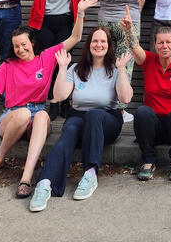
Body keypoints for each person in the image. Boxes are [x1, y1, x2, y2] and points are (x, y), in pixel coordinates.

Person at [0, 0, 95, 198]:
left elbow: (75, 38)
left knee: (42, 115)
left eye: (24, 44)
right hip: (12, 117)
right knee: (24, 113)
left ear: (32, 43)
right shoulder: (8, 65)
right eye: (16, 46)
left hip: (37, 119)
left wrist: (80, 12)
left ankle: (26, 177)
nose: (20, 49)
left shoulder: (46, 57)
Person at [28, 27, 134, 211]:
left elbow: (126, 98)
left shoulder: (115, 69)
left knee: (94, 114)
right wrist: (62, 68)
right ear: (89, 45)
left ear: (109, 46)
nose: (99, 44)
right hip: (79, 116)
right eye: (95, 41)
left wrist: (122, 69)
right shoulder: (76, 69)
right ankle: (44, 183)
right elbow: (59, 96)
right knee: (69, 131)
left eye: (103, 41)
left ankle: (90, 174)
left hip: (107, 120)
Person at [121, 6, 171, 181]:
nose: (165, 46)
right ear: (155, 45)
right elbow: (134, 47)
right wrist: (128, 31)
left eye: (168, 42)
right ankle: (148, 161)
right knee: (142, 112)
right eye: (161, 42)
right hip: (153, 127)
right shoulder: (148, 60)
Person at [90, 0, 162, 122]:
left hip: (104, 22)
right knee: (124, 65)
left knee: (103, 64)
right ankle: (120, 111)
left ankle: (102, 104)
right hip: (126, 23)